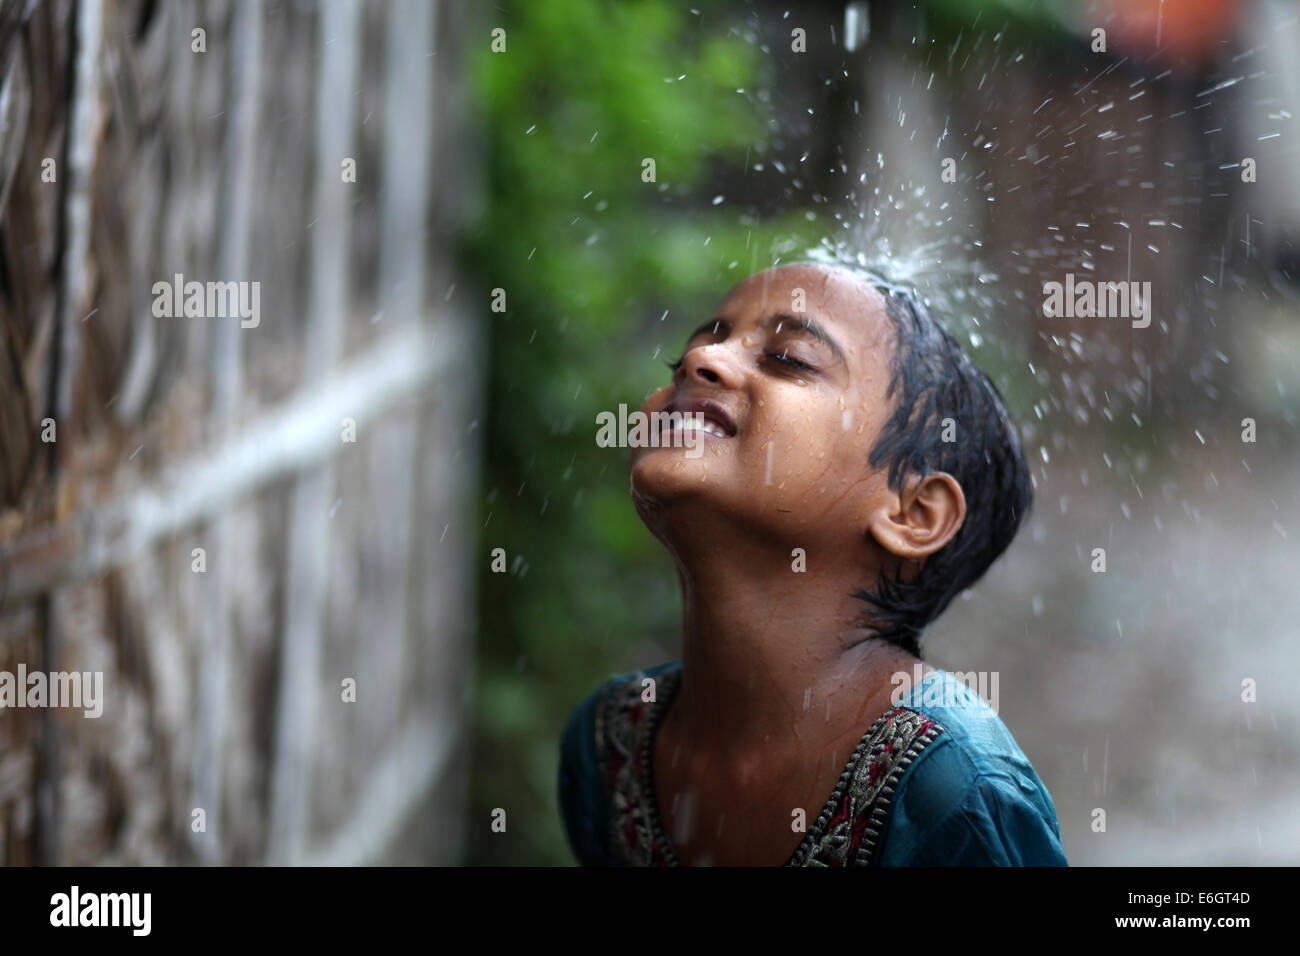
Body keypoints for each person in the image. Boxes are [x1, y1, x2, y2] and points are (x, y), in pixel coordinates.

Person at [558, 261, 1067, 866]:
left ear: (914, 514)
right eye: (691, 352)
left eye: (789, 359)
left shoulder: (957, 793)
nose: (701, 362)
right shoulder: (608, 747)